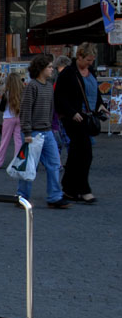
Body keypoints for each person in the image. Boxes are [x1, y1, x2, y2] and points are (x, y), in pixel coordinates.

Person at [54, 43, 110, 204]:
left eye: (92, 60)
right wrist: (72, 112)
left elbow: (95, 92)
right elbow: (59, 97)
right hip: (74, 118)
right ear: (79, 57)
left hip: (88, 116)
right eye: (88, 60)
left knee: (75, 154)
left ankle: (69, 188)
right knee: (85, 152)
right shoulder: (68, 74)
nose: (90, 63)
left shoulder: (90, 71)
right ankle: (84, 189)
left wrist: (101, 105)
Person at [15, 55, 70, 209]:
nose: (52, 69)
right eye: (49, 67)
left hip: (47, 131)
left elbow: (52, 110)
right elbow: (25, 110)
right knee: (29, 167)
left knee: (54, 163)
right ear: (40, 69)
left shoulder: (48, 85)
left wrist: (53, 127)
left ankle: (55, 196)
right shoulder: (32, 86)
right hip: (32, 132)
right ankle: (22, 196)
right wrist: (26, 132)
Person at [0, 72, 24, 168]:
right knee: (18, 141)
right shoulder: (23, 92)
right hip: (20, 117)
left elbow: (1, 108)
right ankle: (18, 162)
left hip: (8, 118)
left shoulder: (7, 93)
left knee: (5, 140)